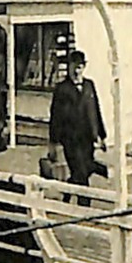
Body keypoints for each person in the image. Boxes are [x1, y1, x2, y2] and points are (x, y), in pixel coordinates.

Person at [48, 50, 106, 191]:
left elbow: (96, 110)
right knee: (80, 171)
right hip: (70, 138)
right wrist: (53, 142)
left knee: (82, 171)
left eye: (80, 67)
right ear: (69, 67)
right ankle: (85, 204)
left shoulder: (89, 85)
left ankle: (69, 188)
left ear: (84, 67)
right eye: (73, 66)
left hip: (87, 138)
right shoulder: (62, 89)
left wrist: (102, 136)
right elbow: (55, 116)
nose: (76, 70)